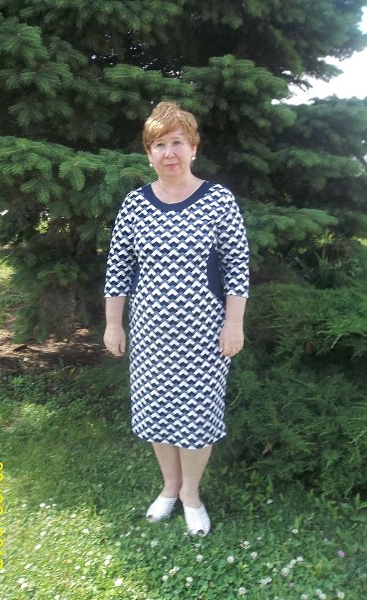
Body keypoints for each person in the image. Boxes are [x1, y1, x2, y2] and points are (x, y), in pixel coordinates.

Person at [103, 101, 249, 536]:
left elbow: (237, 266)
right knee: (157, 412)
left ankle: (191, 495)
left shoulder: (218, 200)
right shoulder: (136, 204)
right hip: (151, 335)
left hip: (205, 335)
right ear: (149, 154)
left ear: (193, 148)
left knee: (198, 417)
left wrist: (234, 324)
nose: (169, 152)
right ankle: (169, 488)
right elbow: (119, 267)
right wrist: (113, 323)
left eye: (177, 142)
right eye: (159, 144)